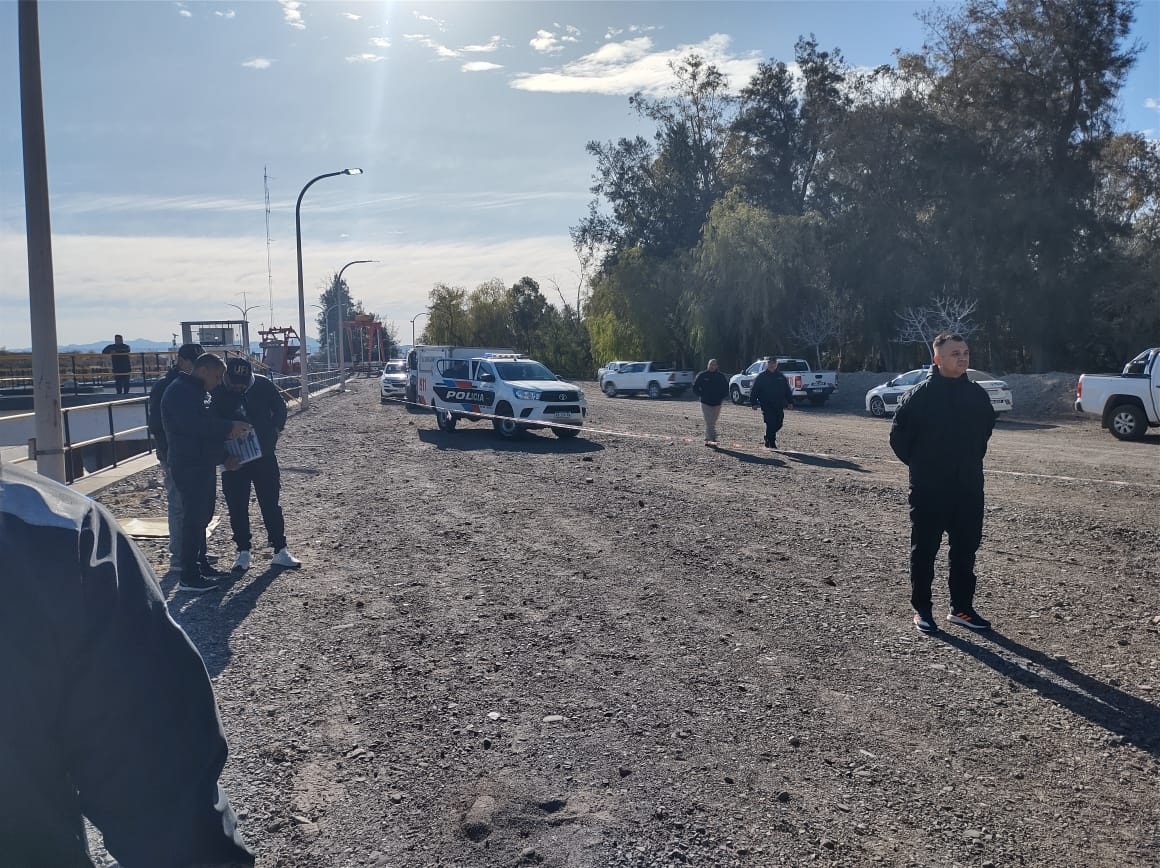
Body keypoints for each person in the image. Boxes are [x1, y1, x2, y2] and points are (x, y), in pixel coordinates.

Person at [0, 462, 256, 867]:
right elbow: (157, 779)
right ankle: (190, 567)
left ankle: (194, 565)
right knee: (189, 511)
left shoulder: (52, 531)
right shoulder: (55, 533)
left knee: (195, 511)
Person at [889, 332, 996, 634]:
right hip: (929, 489)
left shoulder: (977, 394)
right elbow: (899, 438)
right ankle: (922, 609)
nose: (962, 358)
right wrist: (925, 467)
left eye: (965, 352)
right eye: (954, 353)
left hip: (968, 487)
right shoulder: (920, 396)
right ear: (937, 359)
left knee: (965, 550)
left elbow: (985, 432)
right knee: (924, 550)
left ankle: (961, 609)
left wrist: (966, 463)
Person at [162, 353, 251, 593]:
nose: (219, 381)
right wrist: (228, 427)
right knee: (193, 518)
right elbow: (193, 426)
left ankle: (199, 565)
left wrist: (223, 458)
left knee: (202, 516)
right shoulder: (180, 392)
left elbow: (206, 430)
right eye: (217, 376)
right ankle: (188, 575)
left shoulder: (198, 392)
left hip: (202, 463)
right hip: (189, 464)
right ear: (203, 370)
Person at [212, 357, 300, 572]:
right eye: (233, 383)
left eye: (241, 384)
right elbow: (209, 425)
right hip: (233, 460)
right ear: (225, 377)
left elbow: (280, 408)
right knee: (237, 506)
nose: (237, 387)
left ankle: (280, 549)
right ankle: (243, 551)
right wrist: (223, 457)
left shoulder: (263, 385)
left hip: (264, 456)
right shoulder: (216, 391)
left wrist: (274, 431)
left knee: (270, 502)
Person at [148, 342, 204, 578]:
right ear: (181, 361)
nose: (197, 367)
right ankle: (179, 558)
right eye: (194, 362)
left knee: (193, 505)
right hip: (174, 456)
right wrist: (168, 456)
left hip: (191, 455)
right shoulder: (166, 386)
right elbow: (157, 425)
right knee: (179, 505)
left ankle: (194, 554)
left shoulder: (193, 385)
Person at [749, 357, 793, 449]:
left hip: (779, 404)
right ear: (767, 364)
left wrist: (790, 402)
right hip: (766, 404)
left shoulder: (781, 376)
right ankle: (771, 442)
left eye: (773, 363)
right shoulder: (762, 376)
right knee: (771, 422)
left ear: (776, 365)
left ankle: (768, 436)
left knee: (779, 423)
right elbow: (754, 390)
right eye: (770, 363)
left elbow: (787, 390)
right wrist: (753, 402)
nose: (772, 365)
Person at [692, 358, 729, 447]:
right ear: (708, 365)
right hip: (705, 402)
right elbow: (695, 387)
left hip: (717, 403)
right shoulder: (702, 375)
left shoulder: (721, 376)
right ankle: (713, 439)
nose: (712, 366)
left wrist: (721, 397)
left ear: (717, 366)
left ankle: (707, 438)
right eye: (710, 364)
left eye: (714, 364)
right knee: (709, 422)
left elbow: (726, 388)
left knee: (713, 422)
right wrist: (701, 395)